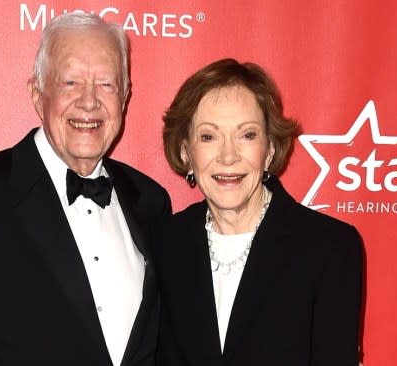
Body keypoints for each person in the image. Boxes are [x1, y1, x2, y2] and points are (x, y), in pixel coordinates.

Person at [0, 12, 171, 366]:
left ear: (125, 97)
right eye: (70, 82)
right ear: (37, 93)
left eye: (106, 84)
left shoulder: (151, 202)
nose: (89, 101)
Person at [155, 58, 363, 366]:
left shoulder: (330, 248)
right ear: (186, 151)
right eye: (209, 136)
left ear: (270, 150)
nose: (228, 156)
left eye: (247, 135)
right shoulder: (165, 242)